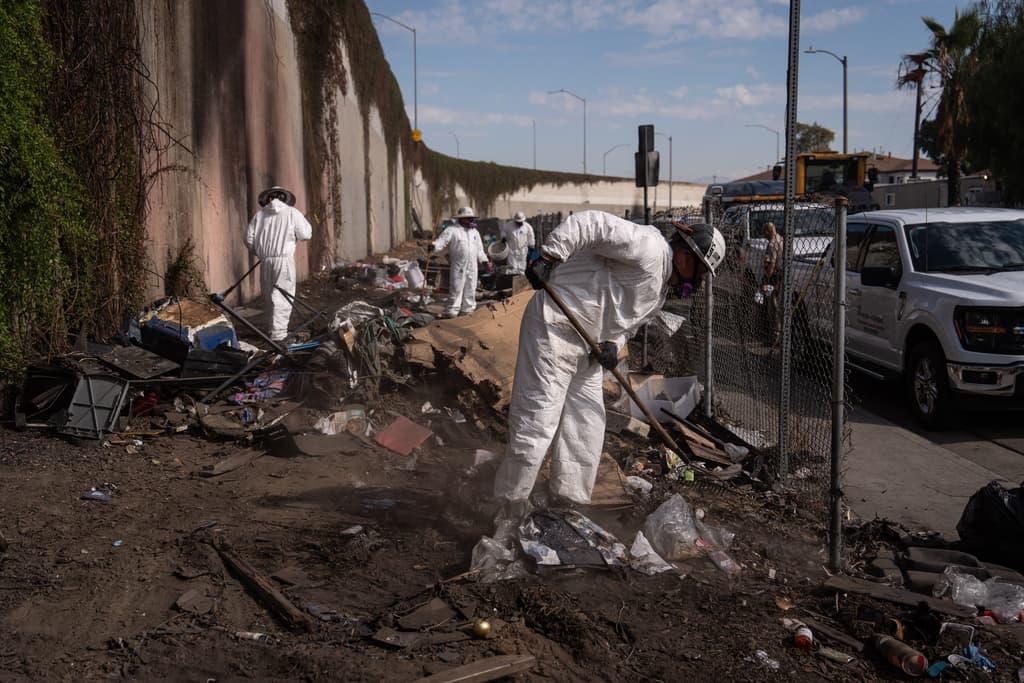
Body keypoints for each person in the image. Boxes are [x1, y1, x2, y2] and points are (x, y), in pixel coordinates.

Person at [492, 210, 725, 510]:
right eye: (702, 272)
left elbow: (623, 322)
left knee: (587, 425)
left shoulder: (660, 291)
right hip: (555, 330)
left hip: (588, 350)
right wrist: (550, 256)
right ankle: (507, 504)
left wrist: (613, 346)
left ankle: (568, 501)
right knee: (537, 425)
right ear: (685, 257)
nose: (700, 281)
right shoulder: (649, 248)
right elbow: (591, 223)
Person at [245, 186, 313, 342]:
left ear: (268, 199)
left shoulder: (259, 215)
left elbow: (248, 238)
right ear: (286, 198)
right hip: (283, 261)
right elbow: (305, 233)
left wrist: (261, 253)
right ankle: (279, 335)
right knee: (282, 294)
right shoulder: (292, 213)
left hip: (266, 261)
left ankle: (272, 330)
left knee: (269, 295)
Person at [431, 206, 489, 317]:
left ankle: (468, 311)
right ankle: (452, 312)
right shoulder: (452, 230)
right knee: (456, 289)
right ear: (461, 218)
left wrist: (484, 260)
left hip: (472, 267)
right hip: (459, 266)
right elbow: (441, 242)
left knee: (471, 289)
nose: (470, 220)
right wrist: (433, 247)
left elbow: (480, 250)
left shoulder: (475, 233)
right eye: (467, 218)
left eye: (471, 218)